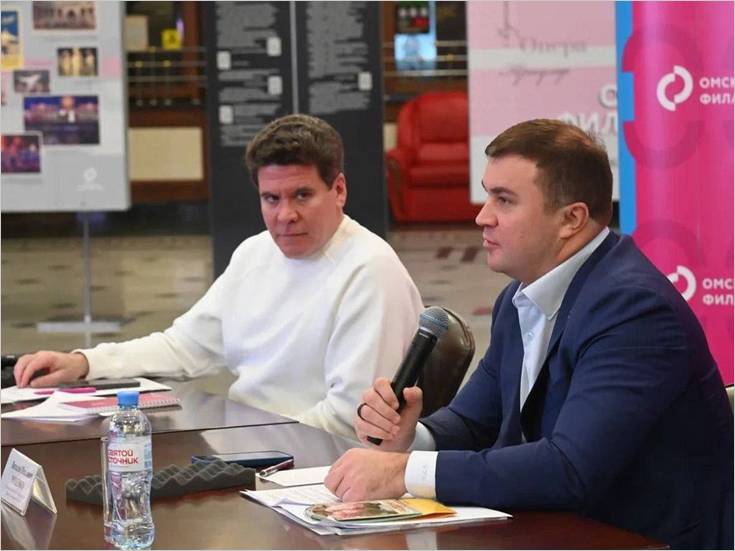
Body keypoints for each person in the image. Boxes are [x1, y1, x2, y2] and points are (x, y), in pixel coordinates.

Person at [325, 119, 734, 549]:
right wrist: (411, 437)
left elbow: (570, 469)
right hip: (553, 532)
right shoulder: (519, 297)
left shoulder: (634, 311)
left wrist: (404, 471)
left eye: (504, 200)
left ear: (571, 219)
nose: (482, 216)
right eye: (487, 195)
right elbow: (473, 421)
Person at [14, 114, 424, 440]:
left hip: (316, 466)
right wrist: (84, 362)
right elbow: (183, 348)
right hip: (250, 445)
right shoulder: (254, 253)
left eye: (302, 195)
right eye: (271, 198)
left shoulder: (370, 271)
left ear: (339, 190)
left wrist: (241, 449)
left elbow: (350, 419)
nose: (285, 215)